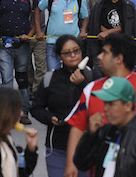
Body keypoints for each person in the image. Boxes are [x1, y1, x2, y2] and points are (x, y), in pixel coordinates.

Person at [64, 34, 136, 177]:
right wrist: (71, 165)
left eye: (104, 53)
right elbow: (77, 127)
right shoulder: (91, 89)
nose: (99, 57)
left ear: (119, 58)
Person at [72, 76, 136, 177]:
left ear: (128, 106)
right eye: (105, 103)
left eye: (111, 104)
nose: (105, 108)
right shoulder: (105, 131)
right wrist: (89, 134)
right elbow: (81, 164)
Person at [31, 35, 92, 177]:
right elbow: (36, 108)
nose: (73, 55)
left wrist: (83, 84)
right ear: (59, 56)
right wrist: (49, 118)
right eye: (67, 53)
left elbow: (101, 104)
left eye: (76, 51)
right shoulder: (50, 78)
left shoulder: (91, 75)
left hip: (87, 147)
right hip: (57, 146)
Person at [35, 0, 90, 70]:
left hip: (72, 43)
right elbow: (37, 10)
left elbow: (85, 17)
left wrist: (83, 30)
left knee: (73, 73)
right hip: (52, 42)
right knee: (53, 74)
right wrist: (38, 31)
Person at [87, 0, 136, 64]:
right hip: (101, 49)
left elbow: (128, 26)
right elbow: (95, 22)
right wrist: (104, 31)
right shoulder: (100, 5)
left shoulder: (128, 6)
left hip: (122, 50)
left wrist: (109, 32)